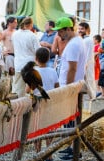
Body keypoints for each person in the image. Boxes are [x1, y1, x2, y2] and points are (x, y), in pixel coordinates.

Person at [52, 17, 87, 160]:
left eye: (60, 31)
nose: (58, 35)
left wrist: (67, 90)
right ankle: (71, 147)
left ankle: (74, 150)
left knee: (71, 120)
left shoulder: (73, 45)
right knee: (70, 121)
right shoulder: (76, 41)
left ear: (68, 29)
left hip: (70, 87)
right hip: (72, 86)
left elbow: (72, 69)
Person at [24, 47, 59, 161]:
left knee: (37, 129)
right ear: (49, 58)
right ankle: (49, 153)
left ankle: (39, 153)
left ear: (36, 58)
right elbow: (57, 88)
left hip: (37, 105)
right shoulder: (53, 71)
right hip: (50, 105)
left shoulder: (33, 72)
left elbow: (27, 90)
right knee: (50, 128)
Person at [12, 17, 40, 97]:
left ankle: (17, 106)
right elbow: (38, 51)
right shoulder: (33, 36)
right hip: (29, 65)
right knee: (30, 90)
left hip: (18, 63)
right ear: (31, 24)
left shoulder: (15, 34)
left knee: (18, 89)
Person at [78, 22, 96, 99]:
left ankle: (92, 99)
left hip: (86, 65)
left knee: (89, 82)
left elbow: (87, 55)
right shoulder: (83, 39)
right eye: (79, 28)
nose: (80, 30)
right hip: (83, 65)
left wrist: (84, 66)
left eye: (82, 29)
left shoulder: (88, 40)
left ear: (86, 29)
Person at [97, 28, 104, 98]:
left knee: (102, 78)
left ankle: (102, 94)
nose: (102, 34)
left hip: (103, 62)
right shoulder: (102, 41)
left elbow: (100, 50)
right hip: (101, 61)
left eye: (103, 33)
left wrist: (100, 50)